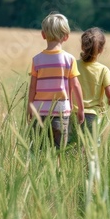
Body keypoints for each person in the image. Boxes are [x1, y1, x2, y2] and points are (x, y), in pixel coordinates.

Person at [27, 12, 84, 149]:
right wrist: (81, 108)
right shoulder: (69, 59)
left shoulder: (37, 60)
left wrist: (29, 107)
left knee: (39, 149)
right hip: (61, 112)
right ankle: (57, 170)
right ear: (66, 37)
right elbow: (75, 85)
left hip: (39, 112)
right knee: (59, 151)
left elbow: (32, 87)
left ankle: (40, 170)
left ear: (43, 34)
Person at [76, 27, 110, 136]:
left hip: (73, 113)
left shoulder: (73, 65)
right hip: (93, 115)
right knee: (90, 147)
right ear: (101, 49)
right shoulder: (103, 70)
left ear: (82, 46)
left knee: (73, 146)